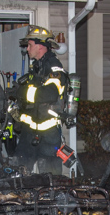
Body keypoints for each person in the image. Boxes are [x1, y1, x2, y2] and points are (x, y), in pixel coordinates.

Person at [13, 25, 70, 173]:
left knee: (49, 175)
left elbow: (49, 94)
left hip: (48, 133)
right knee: (20, 168)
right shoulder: (37, 67)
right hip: (29, 131)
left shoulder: (54, 67)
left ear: (40, 46)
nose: (27, 49)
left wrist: (22, 92)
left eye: (30, 45)